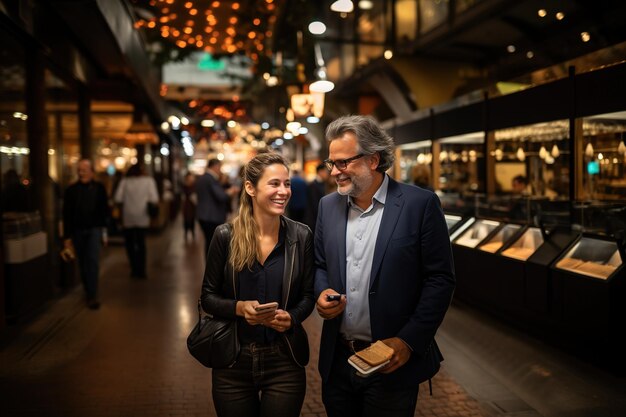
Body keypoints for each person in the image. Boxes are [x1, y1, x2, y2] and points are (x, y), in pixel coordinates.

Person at [314, 115, 456, 417]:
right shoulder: (327, 207)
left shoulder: (420, 205)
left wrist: (408, 341)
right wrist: (321, 290)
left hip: (391, 362)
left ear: (373, 160)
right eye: (331, 163)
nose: (335, 172)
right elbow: (320, 264)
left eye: (343, 163)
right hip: (338, 360)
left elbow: (440, 280)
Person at [200, 152, 315, 417]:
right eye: (274, 184)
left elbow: (308, 296)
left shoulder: (301, 236)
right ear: (250, 188)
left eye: (286, 184)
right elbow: (207, 297)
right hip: (233, 360)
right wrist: (240, 308)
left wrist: (292, 317)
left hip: (284, 359)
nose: (284, 191)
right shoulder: (225, 236)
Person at [62, 159, 109, 309]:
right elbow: (66, 214)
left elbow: (104, 211)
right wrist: (67, 237)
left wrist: (105, 232)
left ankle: (92, 295)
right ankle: (88, 290)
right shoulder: (71, 190)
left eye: (85, 169)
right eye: (79, 169)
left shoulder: (99, 188)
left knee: (93, 262)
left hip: (94, 230)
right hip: (77, 231)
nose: (81, 172)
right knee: (82, 263)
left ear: (91, 171)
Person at [114, 163, 159, 279]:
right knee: (141, 244)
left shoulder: (125, 181)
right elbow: (154, 198)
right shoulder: (148, 181)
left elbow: (118, 198)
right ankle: (142, 270)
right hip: (142, 216)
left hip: (128, 216)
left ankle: (134, 269)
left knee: (129, 244)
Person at [195, 158, 239, 256]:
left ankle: (209, 266)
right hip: (211, 216)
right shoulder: (211, 178)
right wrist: (231, 191)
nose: (220, 170)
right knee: (212, 244)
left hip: (203, 215)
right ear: (215, 166)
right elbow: (221, 196)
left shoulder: (202, 178)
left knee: (209, 242)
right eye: (220, 167)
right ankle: (212, 268)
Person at [305, 162, 330, 232]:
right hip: (313, 220)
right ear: (320, 172)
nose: (327, 174)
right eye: (326, 172)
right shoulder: (313, 185)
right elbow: (315, 205)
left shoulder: (323, 184)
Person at [181, 172, 197, 242]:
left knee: (192, 219)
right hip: (187, 205)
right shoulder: (185, 185)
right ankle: (186, 233)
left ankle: (193, 233)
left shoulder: (194, 185)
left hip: (192, 205)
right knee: (186, 219)